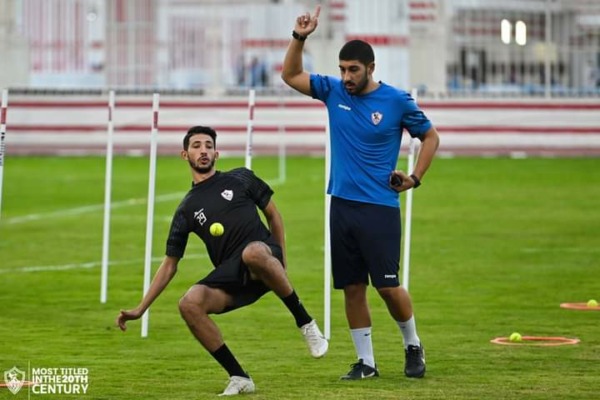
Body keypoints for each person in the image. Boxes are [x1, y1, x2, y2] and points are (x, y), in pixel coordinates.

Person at [281, 6, 440, 381]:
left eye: (353, 69)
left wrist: (415, 177)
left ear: (371, 67)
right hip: (341, 206)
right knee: (352, 288)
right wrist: (299, 37)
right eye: (342, 69)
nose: (346, 77)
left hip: (380, 208)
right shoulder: (333, 91)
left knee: (387, 287)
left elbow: (430, 137)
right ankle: (366, 363)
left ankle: (412, 344)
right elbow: (290, 75)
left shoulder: (396, 101)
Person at [115, 126, 328, 396]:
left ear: (216, 153)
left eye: (207, 145)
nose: (202, 150)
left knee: (253, 253)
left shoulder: (241, 177)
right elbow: (170, 264)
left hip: (264, 255)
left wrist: (280, 260)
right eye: (196, 146)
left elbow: (274, 216)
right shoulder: (186, 209)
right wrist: (140, 309)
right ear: (185, 154)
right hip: (234, 274)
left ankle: (305, 322)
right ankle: (239, 376)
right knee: (189, 303)